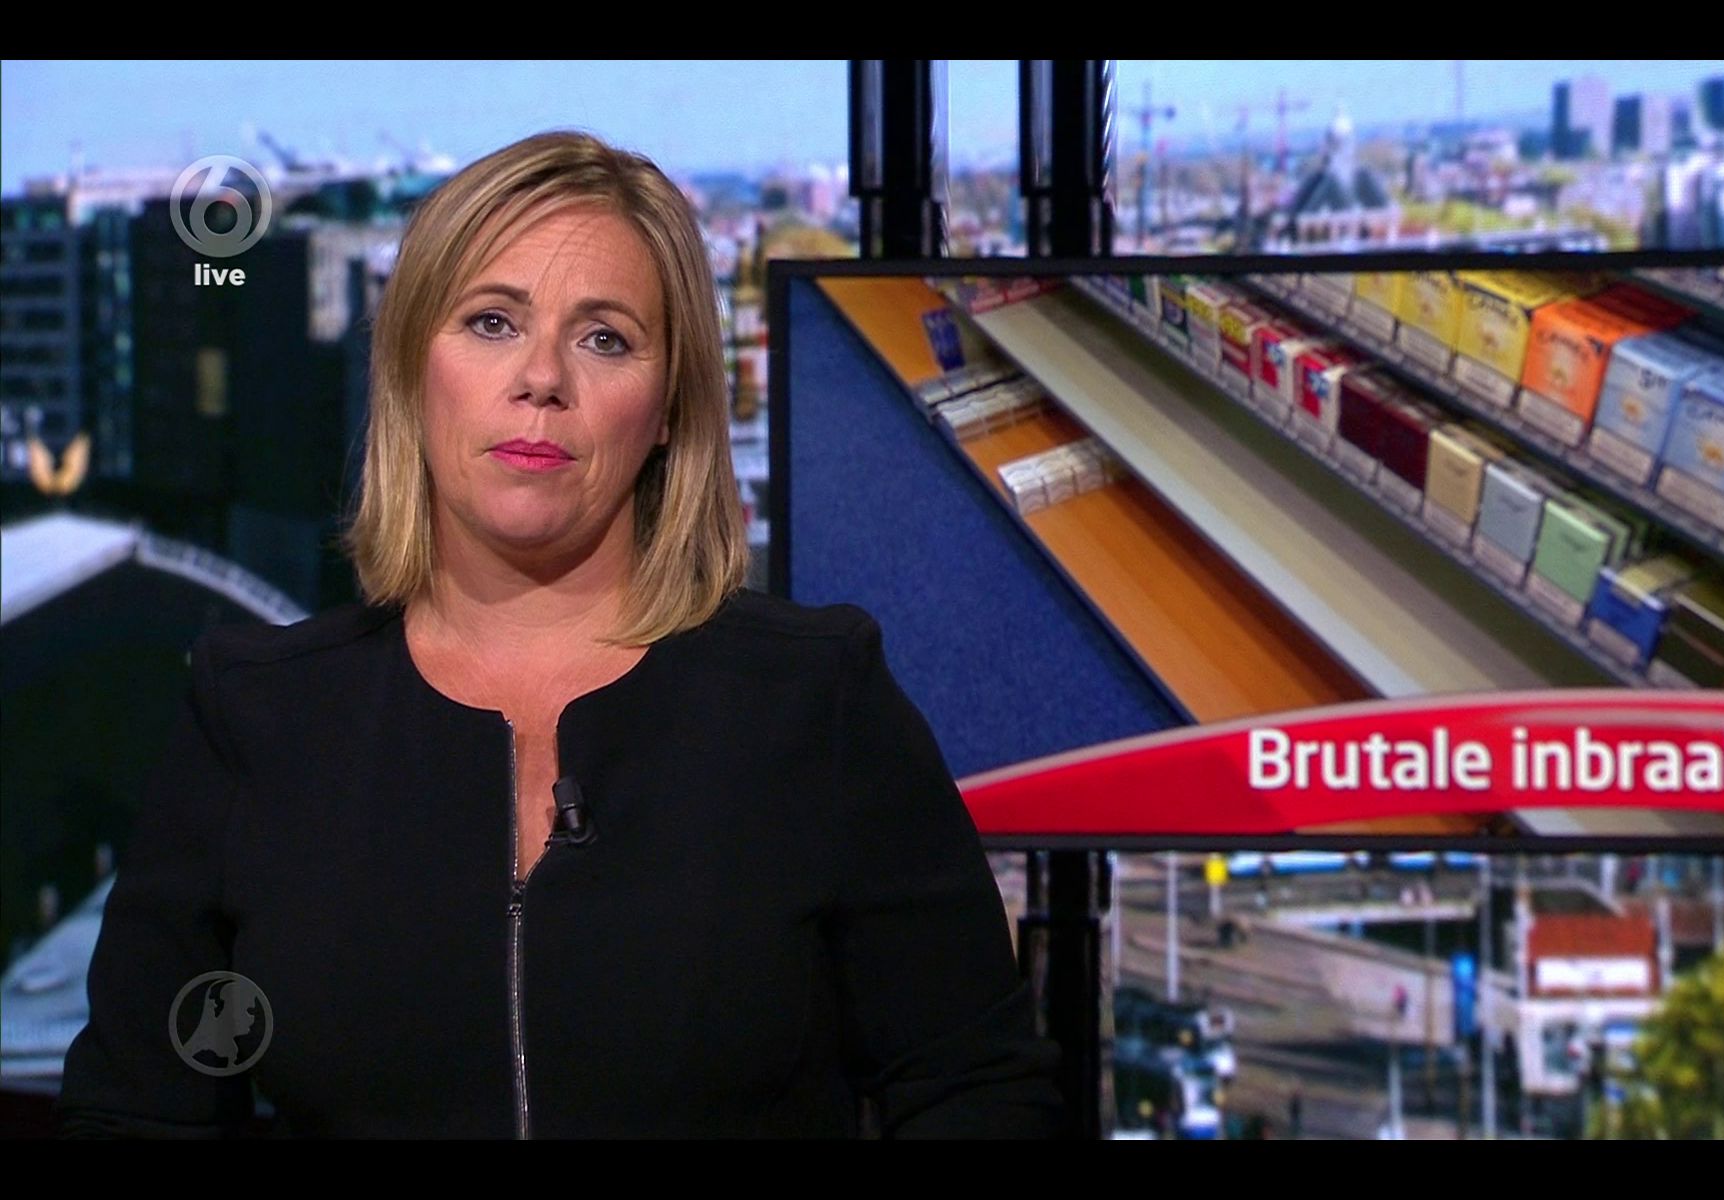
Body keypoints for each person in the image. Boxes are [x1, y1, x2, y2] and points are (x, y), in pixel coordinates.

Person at [56, 130, 1063, 1139]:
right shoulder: (257, 718)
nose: (541, 378)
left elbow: (977, 1093)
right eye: (492, 322)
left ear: (667, 409)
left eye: (605, 339)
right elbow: (135, 1113)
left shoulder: (816, 701)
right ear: (409, 371)